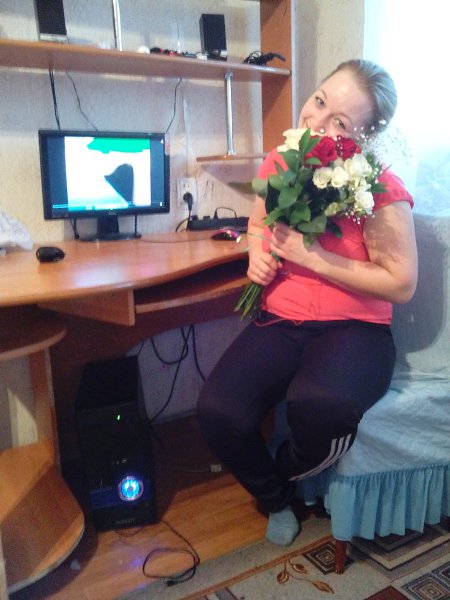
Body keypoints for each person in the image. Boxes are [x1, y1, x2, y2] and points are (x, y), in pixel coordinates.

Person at [197, 59, 418, 547]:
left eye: (340, 122)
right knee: (218, 410)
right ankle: (276, 498)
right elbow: (259, 222)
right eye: (319, 101)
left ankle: (286, 473)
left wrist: (312, 257)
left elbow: (401, 284)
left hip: (356, 328)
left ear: (366, 138)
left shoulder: (378, 187)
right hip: (280, 318)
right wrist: (257, 254)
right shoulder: (282, 161)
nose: (315, 122)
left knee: (322, 407)